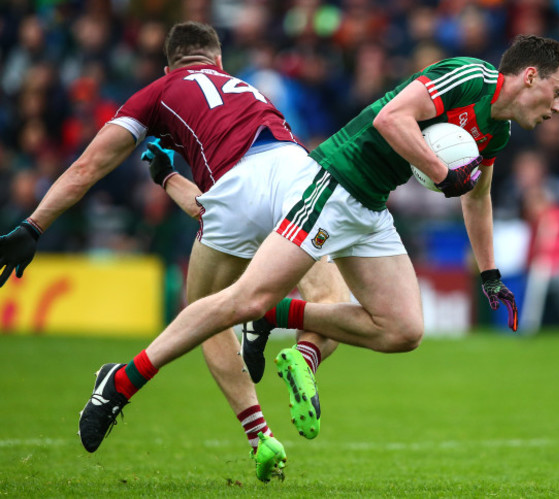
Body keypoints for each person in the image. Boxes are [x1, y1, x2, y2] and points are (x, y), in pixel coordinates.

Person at [9, 32, 559, 464]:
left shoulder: (495, 131)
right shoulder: (469, 78)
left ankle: (274, 318)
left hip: (372, 205)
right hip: (334, 183)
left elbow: (477, 197)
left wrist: (490, 274)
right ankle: (122, 381)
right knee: (240, 298)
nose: (556, 108)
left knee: (404, 330)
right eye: (556, 93)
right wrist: (438, 169)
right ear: (530, 76)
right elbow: (390, 118)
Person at [0, 21, 350, 482]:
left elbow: (89, 167)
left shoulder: (158, 92)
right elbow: (241, 186)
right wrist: (170, 178)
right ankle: (300, 351)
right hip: (296, 170)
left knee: (207, 316)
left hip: (235, 193)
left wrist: (34, 224)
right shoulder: (251, 90)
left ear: (170, 66)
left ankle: (258, 435)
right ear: (219, 62)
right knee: (333, 301)